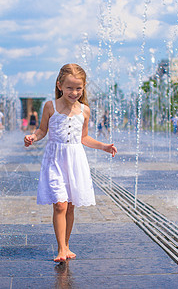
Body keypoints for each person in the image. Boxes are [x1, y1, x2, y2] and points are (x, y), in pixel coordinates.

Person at [24, 64, 117, 263]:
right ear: (59, 86)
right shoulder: (50, 106)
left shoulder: (84, 111)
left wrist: (104, 146)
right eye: (69, 88)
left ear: (83, 88)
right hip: (54, 160)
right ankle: (60, 248)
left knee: (71, 206)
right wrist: (33, 137)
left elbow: (84, 138)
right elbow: (42, 131)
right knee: (59, 205)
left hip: (75, 160)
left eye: (78, 88)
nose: (74, 92)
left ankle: (66, 245)